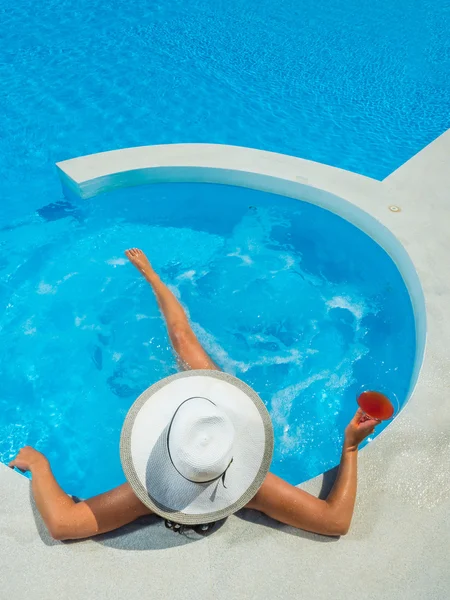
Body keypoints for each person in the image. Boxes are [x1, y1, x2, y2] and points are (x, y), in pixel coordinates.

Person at [9, 248, 379, 541]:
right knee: (186, 344)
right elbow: (335, 521)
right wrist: (349, 448)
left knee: (183, 341)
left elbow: (62, 524)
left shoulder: (146, 495)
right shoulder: (257, 488)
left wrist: (40, 465)